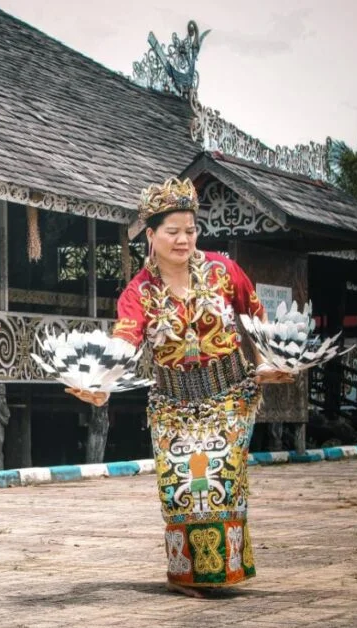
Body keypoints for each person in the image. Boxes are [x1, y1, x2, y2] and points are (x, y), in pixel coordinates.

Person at [71, 177, 293, 598]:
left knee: (218, 477)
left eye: (190, 230)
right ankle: (188, 576)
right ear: (151, 236)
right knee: (180, 488)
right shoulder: (139, 291)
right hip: (171, 401)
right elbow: (125, 340)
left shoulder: (224, 271)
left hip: (228, 393)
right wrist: (99, 384)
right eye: (172, 232)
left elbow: (255, 316)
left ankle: (222, 571)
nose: (183, 239)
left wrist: (267, 364)